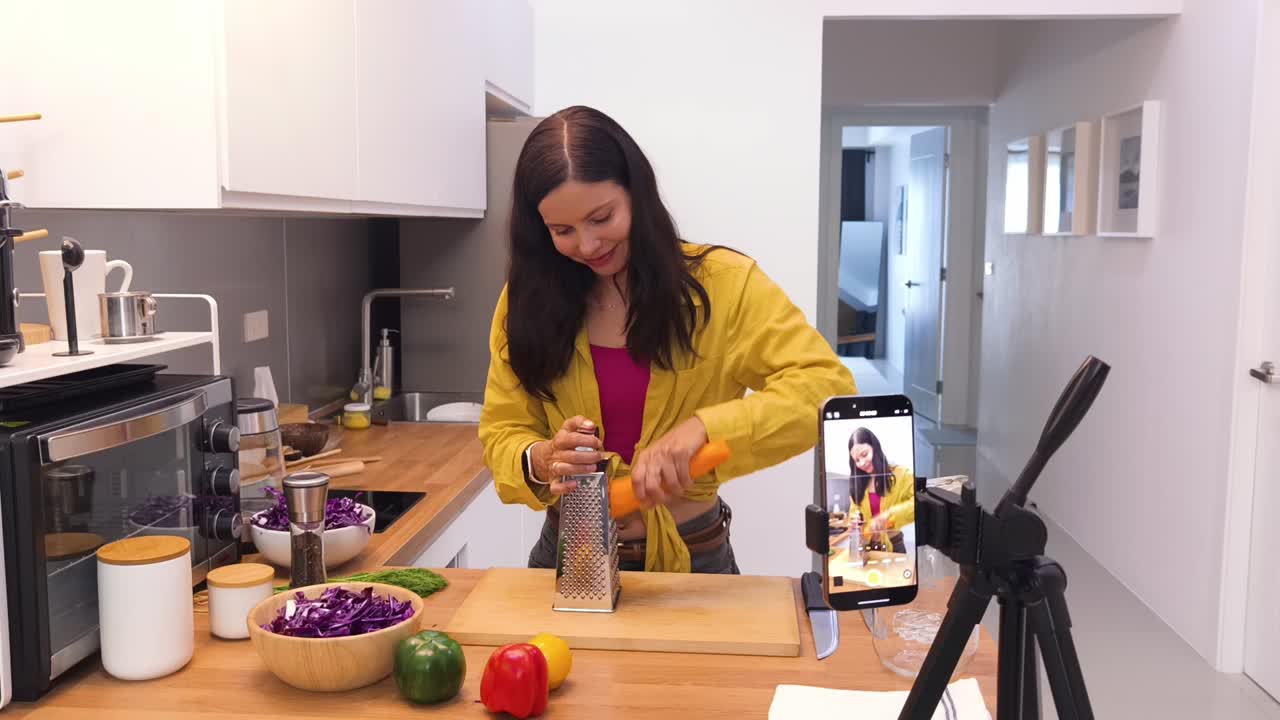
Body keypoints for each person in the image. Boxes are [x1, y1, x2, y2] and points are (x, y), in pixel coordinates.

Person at [478, 105, 857, 574]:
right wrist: (540, 458)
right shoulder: (525, 302)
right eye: (562, 231)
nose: (588, 245)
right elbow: (501, 431)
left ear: (637, 193)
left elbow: (828, 390)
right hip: (568, 555)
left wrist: (704, 428)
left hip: (695, 558)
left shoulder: (726, 285)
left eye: (602, 217)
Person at [848, 427, 916, 554]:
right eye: (856, 460)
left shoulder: (901, 474)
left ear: (875, 448)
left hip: (894, 546)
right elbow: (853, 513)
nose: (862, 463)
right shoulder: (858, 482)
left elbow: (918, 502)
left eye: (864, 454)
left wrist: (888, 515)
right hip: (867, 549)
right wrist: (853, 523)